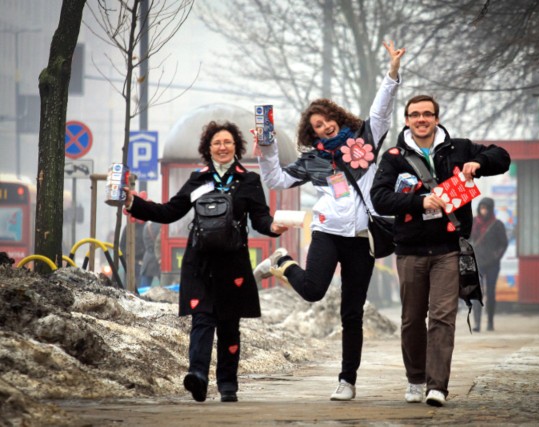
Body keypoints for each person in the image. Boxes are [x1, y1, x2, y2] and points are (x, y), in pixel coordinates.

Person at [252, 41, 405, 401]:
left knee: (353, 313)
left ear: (335, 115)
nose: (323, 128)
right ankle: (282, 263)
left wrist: (392, 73)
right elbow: (276, 179)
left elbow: (381, 113)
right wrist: (267, 149)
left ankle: (347, 380)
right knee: (313, 290)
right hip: (327, 233)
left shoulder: (365, 141)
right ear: (312, 132)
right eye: (317, 127)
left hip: (363, 238)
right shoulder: (313, 161)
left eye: (326, 120)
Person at [122, 121, 288, 403]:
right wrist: (133, 203)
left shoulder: (248, 180)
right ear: (208, 149)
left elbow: (260, 218)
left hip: (233, 264)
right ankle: (197, 375)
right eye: (216, 143)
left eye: (227, 142)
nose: (222, 147)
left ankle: (227, 384)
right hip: (199, 262)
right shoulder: (197, 178)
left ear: (236, 147)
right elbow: (170, 211)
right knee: (202, 319)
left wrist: (274, 226)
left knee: (228, 325)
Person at [370, 95, 510, 407]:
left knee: (443, 317)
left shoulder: (458, 148)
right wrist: (418, 202)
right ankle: (416, 380)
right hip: (409, 250)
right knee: (411, 318)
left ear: (436, 117)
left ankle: (438, 387)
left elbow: (502, 157)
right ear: (407, 120)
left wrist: (481, 162)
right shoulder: (394, 157)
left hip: (448, 249)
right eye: (415, 114)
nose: (421, 119)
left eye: (427, 114)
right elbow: (378, 198)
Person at [470, 197, 508, 332]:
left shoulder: (497, 225)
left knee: (491, 293)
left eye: (486, 208)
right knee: (477, 294)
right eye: (481, 208)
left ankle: (490, 322)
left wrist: (496, 256)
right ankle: (477, 323)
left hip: (492, 264)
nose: (483, 211)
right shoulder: (474, 223)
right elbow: (468, 240)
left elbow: (503, 243)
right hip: (478, 263)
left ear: (490, 209)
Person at [139, 221, 161, 288]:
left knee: (144, 287)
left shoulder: (147, 225)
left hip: (148, 259)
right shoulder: (160, 225)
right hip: (160, 258)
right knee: (166, 286)